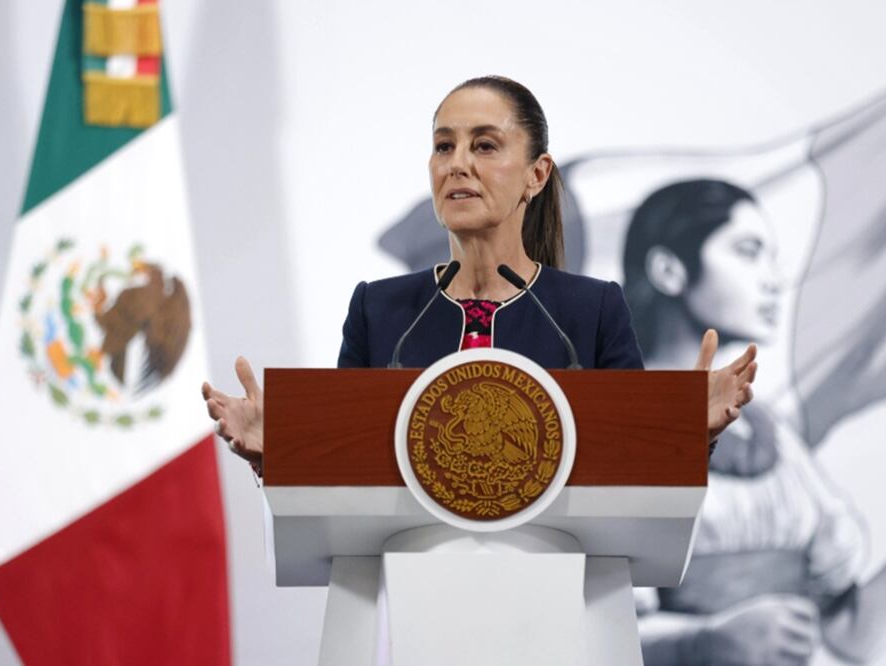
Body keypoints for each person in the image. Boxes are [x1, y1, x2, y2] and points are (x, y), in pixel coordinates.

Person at [202, 76, 757, 473]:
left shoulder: (590, 312)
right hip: (418, 590)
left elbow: (633, 472)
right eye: (444, 146)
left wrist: (691, 434)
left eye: (484, 145)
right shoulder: (381, 310)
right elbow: (347, 470)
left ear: (537, 175)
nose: (457, 164)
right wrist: (276, 454)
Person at [624, 179, 886, 665]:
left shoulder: (773, 438)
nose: (775, 280)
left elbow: (849, 634)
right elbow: (587, 634)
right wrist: (703, 641)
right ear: (669, 270)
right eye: (748, 252)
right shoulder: (611, 428)